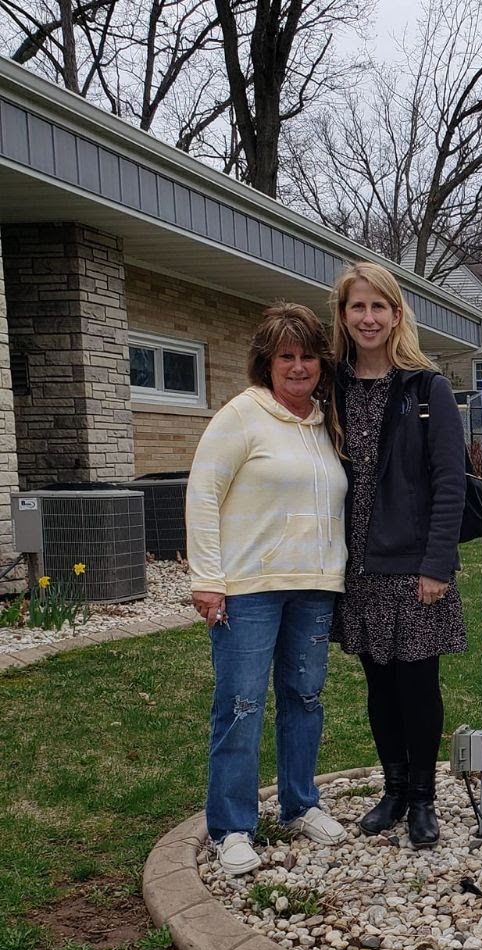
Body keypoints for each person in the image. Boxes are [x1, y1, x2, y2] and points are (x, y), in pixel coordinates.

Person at [186, 303, 349, 877]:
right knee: (241, 704)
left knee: (304, 698)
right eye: (287, 356)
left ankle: (300, 804)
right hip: (249, 588)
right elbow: (203, 494)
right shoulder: (242, 416)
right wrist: (207, 579)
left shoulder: (325, 421)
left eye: (308, 355)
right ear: (267, 361)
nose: (298, 366)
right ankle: (232, 826)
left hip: (315, 586)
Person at [329, 262, 466, 847]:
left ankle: (423, 798)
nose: (368, 318)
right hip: (355, 567)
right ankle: (391, 787)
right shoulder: (330, 387)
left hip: (413, 568)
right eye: (357, 307)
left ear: (396, 314)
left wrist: (437, 565)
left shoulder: (425, 387)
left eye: (378, 307)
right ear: (343, 315)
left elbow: (449, 480)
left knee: (418, 686)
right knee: (379, 687)